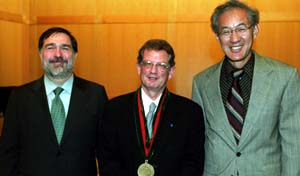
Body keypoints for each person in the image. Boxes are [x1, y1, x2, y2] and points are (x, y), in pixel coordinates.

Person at [192, 0, 300, 175]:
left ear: (255, 30)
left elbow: (294, 143)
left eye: (241, 29)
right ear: (217, 37)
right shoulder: (201, 82)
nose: (234, 38)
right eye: (226, 31)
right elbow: (198, 142)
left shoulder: (285, 77)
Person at [0, 27, 108, 176]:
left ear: (75, 55)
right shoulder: (20, 97)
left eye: (65, 48)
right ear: (40, 54)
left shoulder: (96, 94)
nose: (58, 54)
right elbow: (7, 153)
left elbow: (106, 151)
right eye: (50, 47)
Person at [99, 39, 205, 176]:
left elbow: (193, 163)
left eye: (161, 65)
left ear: (171, 71)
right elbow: (107, 160)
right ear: (139, 68)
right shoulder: (114, 109)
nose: (153, 71)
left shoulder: (190, 112)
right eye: (148, 64)